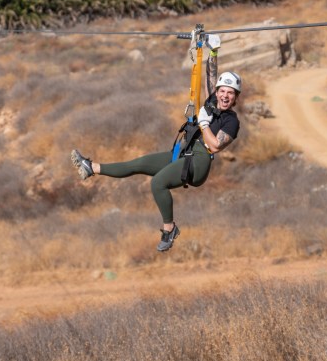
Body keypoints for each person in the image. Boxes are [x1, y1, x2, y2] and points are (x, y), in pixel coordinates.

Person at [70, 35, 241, 252]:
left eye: (231, 93)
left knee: (157, 183)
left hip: (199, 162)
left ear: (236, 98)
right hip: (185, 152)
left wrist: (204, 124)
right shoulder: (212, 102)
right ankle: (91, 168)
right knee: (139, 164)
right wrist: (213, 50)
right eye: (223, 91)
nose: (225, 96)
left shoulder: (231, 121)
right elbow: (211, 76)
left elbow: (216, 145)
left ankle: (169, 229)